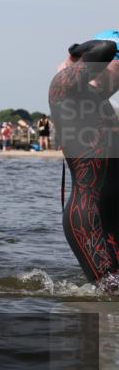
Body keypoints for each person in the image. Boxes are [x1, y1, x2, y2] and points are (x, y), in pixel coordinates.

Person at [48, 31, 119, 289]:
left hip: (113, 217)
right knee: (112, 295)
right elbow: (105, 47)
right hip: (89, 218)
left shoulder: (103, 104)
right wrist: (74, 53)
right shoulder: (65, 89)